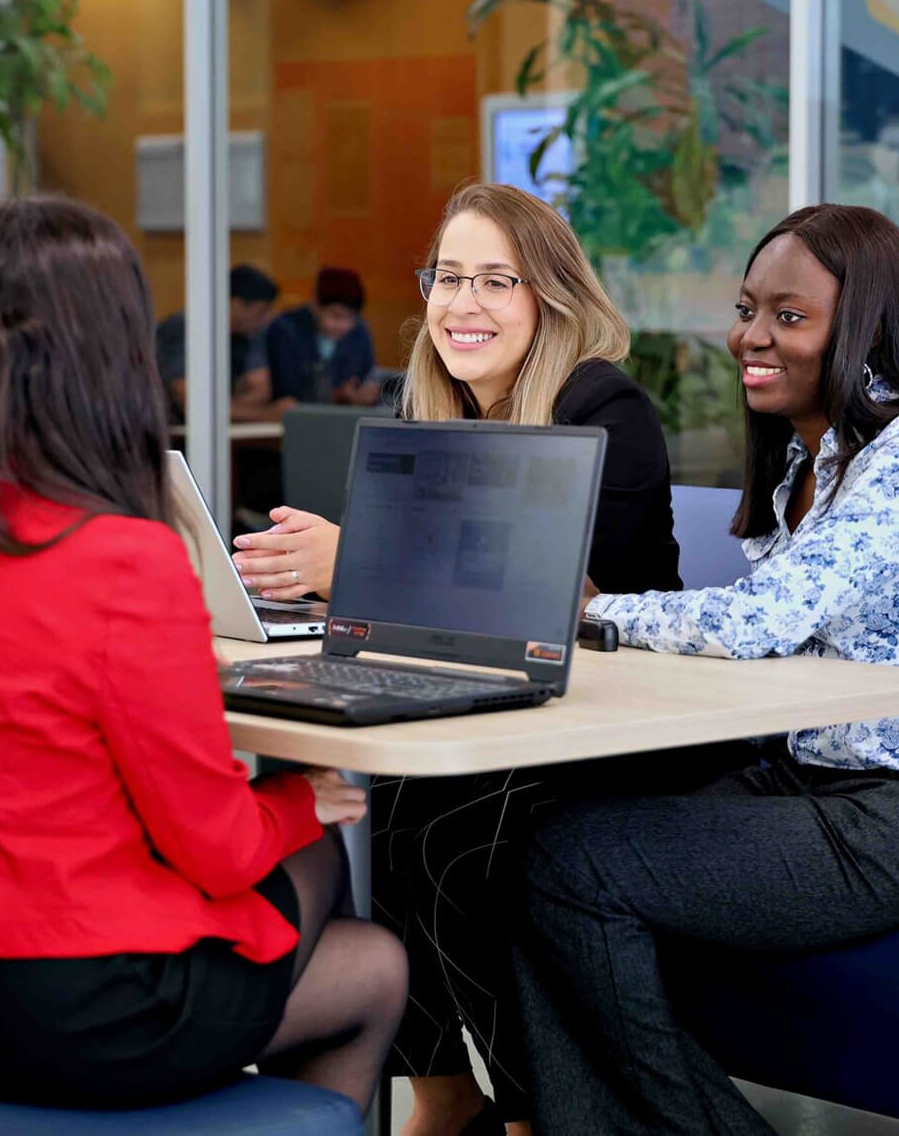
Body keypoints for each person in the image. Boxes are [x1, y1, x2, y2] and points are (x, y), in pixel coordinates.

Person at [0, 196, 407, 1115]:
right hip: (71, 1008)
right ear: (114, 353)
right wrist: (300, 799)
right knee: (367, 950)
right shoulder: (122, 556)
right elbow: (214, 848)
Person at [510, 203, 899, 1135]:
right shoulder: (806, 454)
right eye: (748, 308)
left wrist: (591, 611)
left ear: (865, 328)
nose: (749, 336)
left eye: (788, 317)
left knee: (575, 866)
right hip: (820, 779)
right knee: (534, 837)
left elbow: (766, 619)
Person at [232, 182, 681, 1136]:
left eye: (494, 280)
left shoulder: (606, 405)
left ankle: (526, 1110)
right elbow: (436, 626)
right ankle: (442, 1096)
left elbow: (541, 596)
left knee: (450, 827)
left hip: (628, 727)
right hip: (502, 717)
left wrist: (354, 563)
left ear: (549, 297)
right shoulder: (428, 408)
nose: (461, 304)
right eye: (446, 277)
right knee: (391, 801)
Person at [156, 263, 287, 423]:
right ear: (236, 304)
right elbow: (191, 403)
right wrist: (264, 415)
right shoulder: (187, 328)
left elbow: (261, 391)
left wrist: (225, 408)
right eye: (262, 311)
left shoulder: (248, 334)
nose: (267, 319)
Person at [263, 267, 383, 405]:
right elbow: (286, 393)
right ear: (315, 303)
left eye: (351, 317)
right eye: (335, 315)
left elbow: (366, 377)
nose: (343, 325)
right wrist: (337, 396)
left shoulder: (359, 332)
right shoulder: (285, 329)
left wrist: (365, 394)